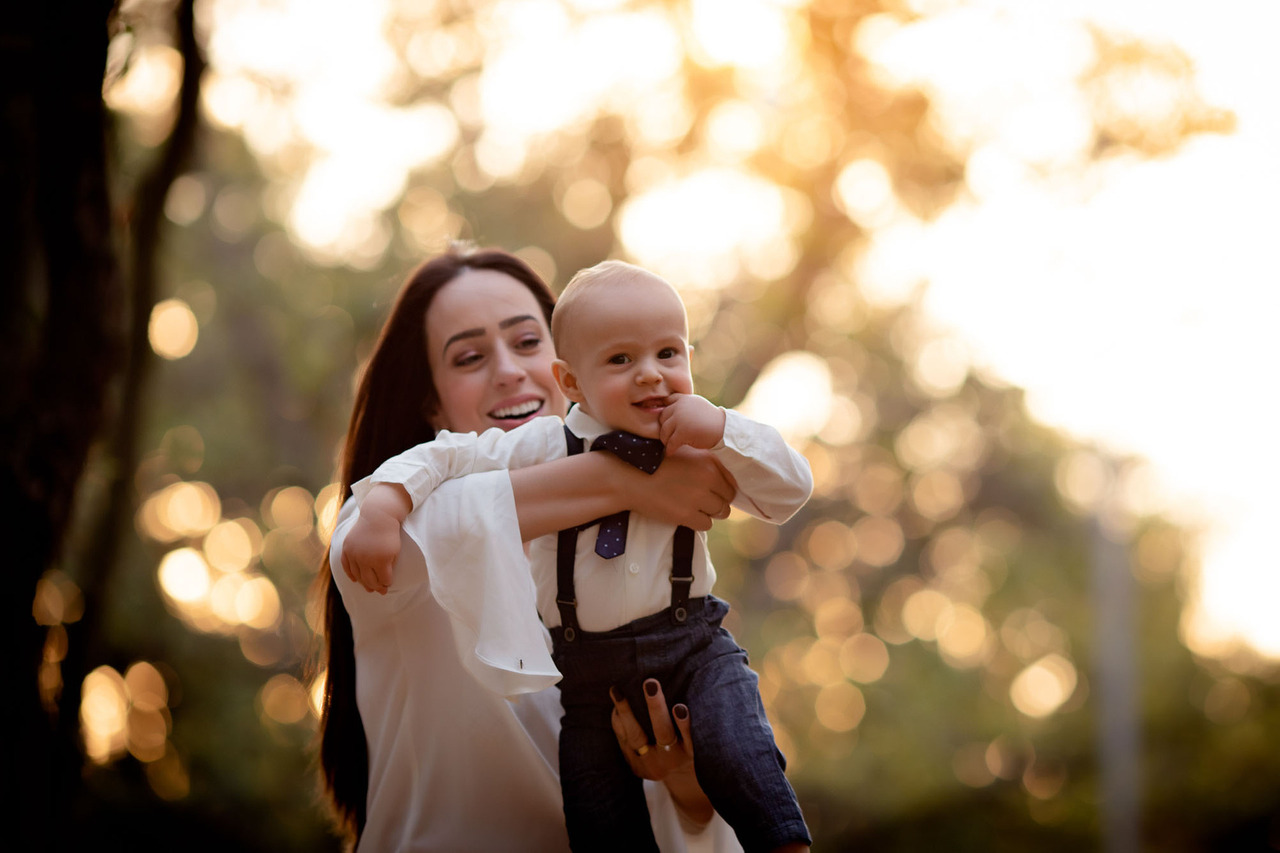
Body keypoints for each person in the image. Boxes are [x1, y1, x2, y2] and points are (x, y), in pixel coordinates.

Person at [345, 260, 814, 853]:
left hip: (683, 644)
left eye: (526, 341)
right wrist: (629, 480)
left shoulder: (688, 442)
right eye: (469, 357)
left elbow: (786, 490)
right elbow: (425, 520)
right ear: (573, 378)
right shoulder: (381, 526)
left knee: (736, 749)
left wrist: (684, 786)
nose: (512, 371)